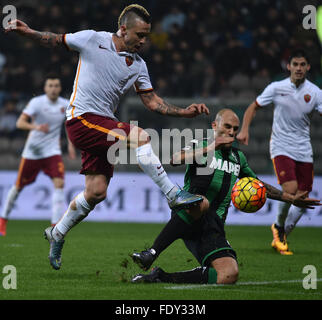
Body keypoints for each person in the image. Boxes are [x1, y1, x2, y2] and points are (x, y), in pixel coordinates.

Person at [4, 4, 208, 269]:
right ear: (123, 29)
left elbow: (151, 101)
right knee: (141, 137)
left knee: (96, 192)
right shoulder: (93, 39)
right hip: (81, 119)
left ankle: (58, 232)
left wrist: (184, 113)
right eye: (140, 35)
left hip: (103, 126)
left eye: (146, 36)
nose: (144, 41)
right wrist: (28, 32)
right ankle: (172, 194)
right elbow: (55, 40)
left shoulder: (138, 65)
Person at [131, 109, 321, 284]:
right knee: (203, 202)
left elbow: (258, 186)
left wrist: (290, 198)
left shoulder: (238, 158)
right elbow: (175, 159)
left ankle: (161, 277)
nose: (231, 132)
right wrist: (212, 146)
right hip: (189, 213)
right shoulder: (201, 144)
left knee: (228, 275)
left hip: (213, 226)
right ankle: (151, 252)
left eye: (235, 129)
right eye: (227, 126)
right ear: (215, 126)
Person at [237, 49, 322, 255]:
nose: (299, 68)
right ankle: (278, 228)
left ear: (308, 67)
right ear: (289, 66)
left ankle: (280, 231)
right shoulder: (276, 88)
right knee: (291, 190)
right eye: (296, 64)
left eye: (303, 65)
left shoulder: (316, 92)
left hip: (304, 149)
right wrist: (245, 129)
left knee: (303, 200)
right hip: (281, 146)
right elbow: (253, 107)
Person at [0, 74, 76, 236]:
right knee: (18, 186)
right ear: (45, 88)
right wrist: (36, 127)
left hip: (52, 152)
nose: (53, 89)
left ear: (60, 88)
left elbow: (69, 126)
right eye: (50, 86)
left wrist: (70, 145)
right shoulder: (37, 102)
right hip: (33, 152)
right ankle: (3, 220)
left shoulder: (64, 104)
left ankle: (55, 227)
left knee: (59, 185)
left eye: (56, 86)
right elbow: (20, 123)